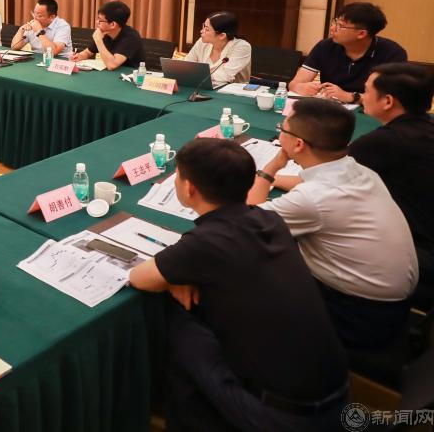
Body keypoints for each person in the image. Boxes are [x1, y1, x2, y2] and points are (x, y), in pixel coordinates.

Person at [129, 138, 348, 431]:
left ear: (189, 188)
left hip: (284, 416)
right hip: (337, 391)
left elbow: (139, 277)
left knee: (182, 327)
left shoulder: (206, 243)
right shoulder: (271, 219)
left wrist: (174, 277)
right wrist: (180, 274)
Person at [247, 97, 417, 349]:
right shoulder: (361, 170)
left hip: (358, 315)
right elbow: (313, 186)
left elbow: (247, 222)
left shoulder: (311, 199)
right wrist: (274, 178)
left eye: (282, 129)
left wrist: (269, 169)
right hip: (395, 302)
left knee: (246, 274)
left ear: (298, 144)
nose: (279, 133)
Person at [350, 63, 434, 303]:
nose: (362, 96)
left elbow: (325, 176)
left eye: (366, 91)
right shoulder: (425, 127)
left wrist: (267, 174)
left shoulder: (386, 142)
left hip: (416, 253)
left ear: (387, 101)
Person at [290, 2, 407, 102]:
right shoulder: (325, 46)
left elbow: (390, 98)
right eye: (335, 22)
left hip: (370, 114)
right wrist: (300, 87)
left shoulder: (392, 53)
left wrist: (351, 97)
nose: (332, 28)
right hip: (330, 109)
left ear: (361, 34)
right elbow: (294, 84)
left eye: (340, 26)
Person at [70, 0, 145, 70]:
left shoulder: (131, 37)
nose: (97, 22)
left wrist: (98, 40)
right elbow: (88, 52)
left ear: (113, 24)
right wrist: (80, 56)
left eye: (100, 20)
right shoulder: (105, 32)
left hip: (130, 75)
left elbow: (112, 65)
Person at [182, 11, 252, 85]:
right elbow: (186, 66)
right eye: (203, 26)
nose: (201, 31)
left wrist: (196, 72)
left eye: (207, 29)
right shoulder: (202, 42)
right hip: (202, 86)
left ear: (222, 36)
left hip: (232, 90)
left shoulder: (242, 47)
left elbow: (225, 76)